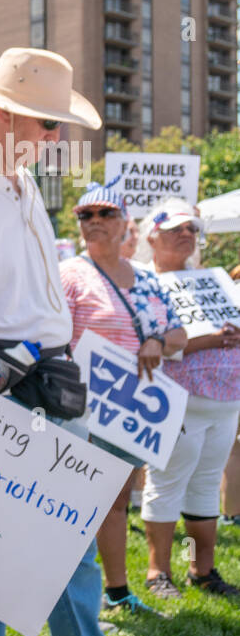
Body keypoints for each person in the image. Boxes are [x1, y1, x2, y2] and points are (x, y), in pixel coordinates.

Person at [0, 46, 178, 636]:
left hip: (49, 376)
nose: (55, 140)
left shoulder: (18, 185)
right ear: (10, 116)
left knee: (69, 545)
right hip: (0, 382)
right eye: (49, 126)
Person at [61, 185, 187, 615]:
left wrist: (156, 339)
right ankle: (75, 600)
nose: (94, 219)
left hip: (131, 410)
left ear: (124, 223)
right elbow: (54, 339)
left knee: (116, 501)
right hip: (82, 410)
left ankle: (116, 593)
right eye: (85, 214)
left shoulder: (147, 278)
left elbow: (179, 334)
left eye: (105, 212)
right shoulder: (69, 275)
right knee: (79, 502)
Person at [134, 200, 240, 598]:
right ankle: (158, 572)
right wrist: (212, 340)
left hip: (226, 399)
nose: (186, 235)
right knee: (167, 483)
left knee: (206, 483)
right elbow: (151, 342)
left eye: (193, 230)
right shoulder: (144, 282)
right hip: (176, 401)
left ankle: (202, 569)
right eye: (176, 228)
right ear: (152, 237)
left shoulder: (214, 280)